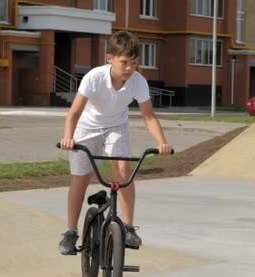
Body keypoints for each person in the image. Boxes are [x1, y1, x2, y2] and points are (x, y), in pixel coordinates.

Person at [57, 30, 172, 255]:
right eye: (125, 62)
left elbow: (149, 116)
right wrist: (68, 137)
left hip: (116, 127)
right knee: (81, 178)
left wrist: (162, 142)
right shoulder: (94, 77)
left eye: (135, 63)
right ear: (110, 58)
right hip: (87, 129)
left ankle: (129, 227)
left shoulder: (138, 82)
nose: (130, 68)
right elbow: (74, 113)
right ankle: (71, 232)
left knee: (123, 170)